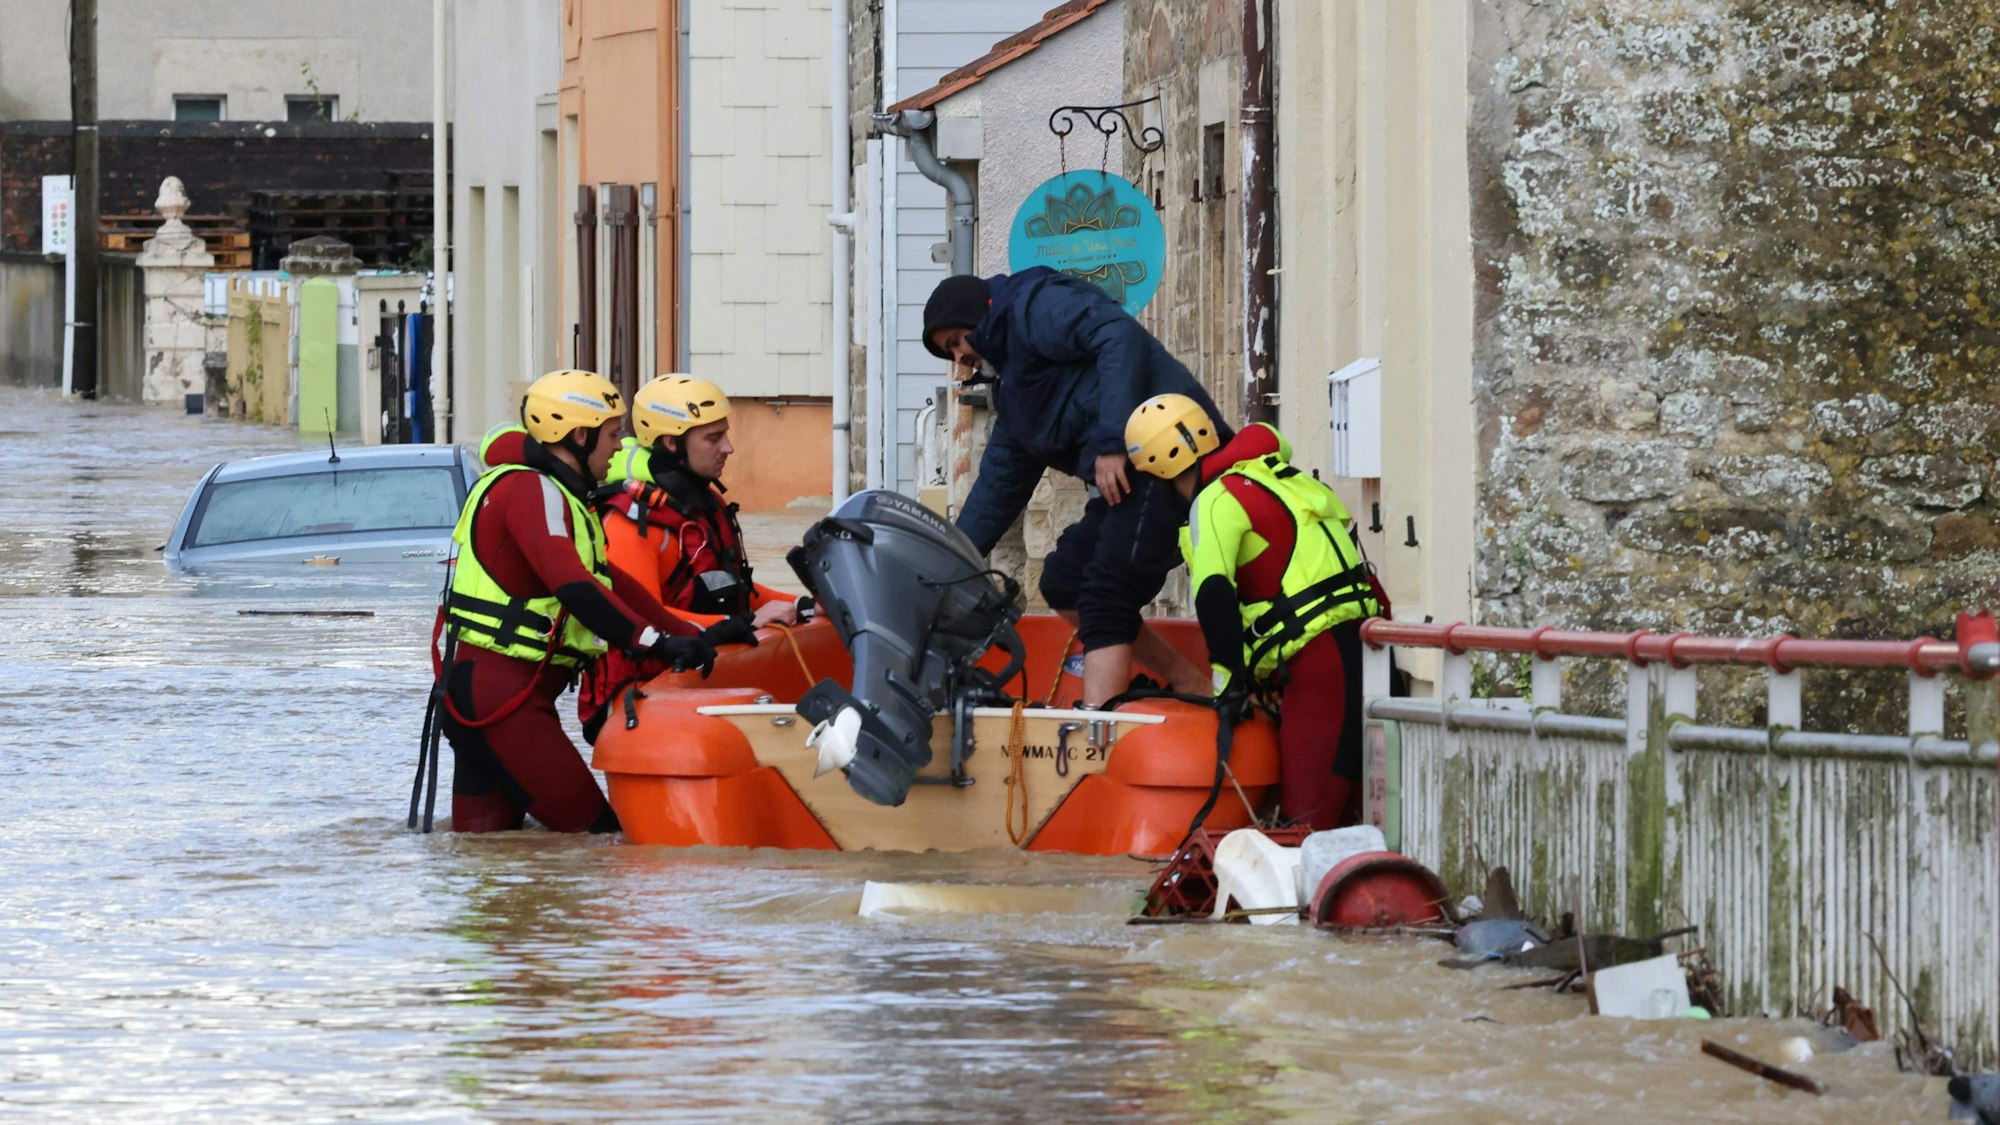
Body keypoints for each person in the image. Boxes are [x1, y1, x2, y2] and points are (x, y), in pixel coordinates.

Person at [922, 268, 1221, 706]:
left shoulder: (1032, 305)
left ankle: (1099, 735)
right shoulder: (1016, 393)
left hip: (1166, 457)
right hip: (1127, 479)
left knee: (1106, 594)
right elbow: (997, 488)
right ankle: (1191, 682)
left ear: (979, 315)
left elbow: (1118, 336)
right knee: (1065, 582)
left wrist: (1112, 442)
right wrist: (948, 565)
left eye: (957, 341)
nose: (960, 359)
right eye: (950, 352)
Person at [436, 369, 716, 833]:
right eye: (612, 435)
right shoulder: (530, 490)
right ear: (580, 436)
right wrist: (653, 644)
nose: (620, 448)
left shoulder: (558, 492)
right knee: (600, 842)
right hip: (504, 702)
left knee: (488, 859)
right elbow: (573, 586)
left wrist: (692, 634)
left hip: (485, 694)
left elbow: (610, 582)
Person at [1124, 393, 1383, 829]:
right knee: (1351, 818)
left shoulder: (1212, 502)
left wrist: (1228, 689)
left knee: (1304, 825)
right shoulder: (1270, 475)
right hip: (1363, 650)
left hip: (1320, 666)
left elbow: (1213, 596)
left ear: (1160, 475)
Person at [575, 374, 812, 740]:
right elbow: (639, 617)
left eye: (726, 434)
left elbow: (735, 589)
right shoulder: (631, 520)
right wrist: (743, 622)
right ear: (672, 443)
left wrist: (802, 604)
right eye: (714, 438)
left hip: (701, 673)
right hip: (640, 688)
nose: (729, 448)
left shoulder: (707, 504)